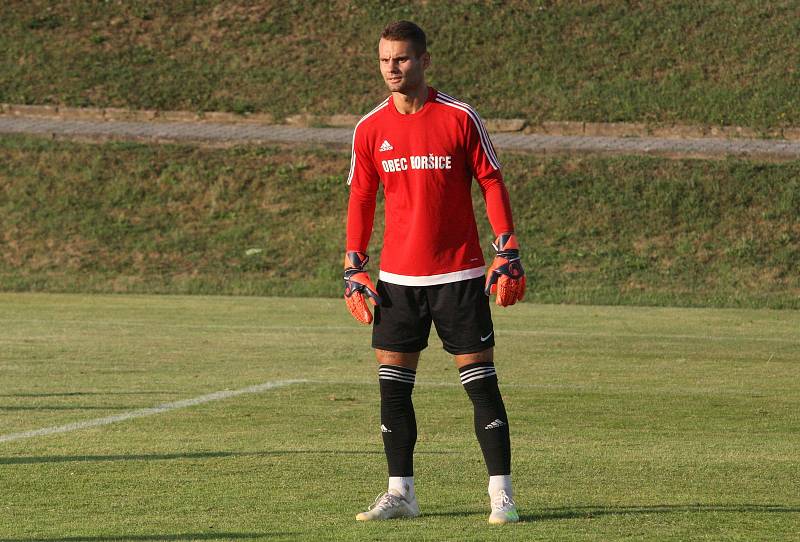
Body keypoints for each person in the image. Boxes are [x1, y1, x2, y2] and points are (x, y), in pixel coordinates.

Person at [343, 20, 526, 525]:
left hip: (460, 275)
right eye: (384, 60)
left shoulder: (459, 117)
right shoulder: (370, 127)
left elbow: (490, 180)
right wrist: (353, 264)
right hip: (397, 281)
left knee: (481, 384)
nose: (391, 68)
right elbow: (361, 197)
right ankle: (401, 493)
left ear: (424, 61)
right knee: (393, 388)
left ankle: (501, 494)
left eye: (401, 59)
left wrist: (506, 246)